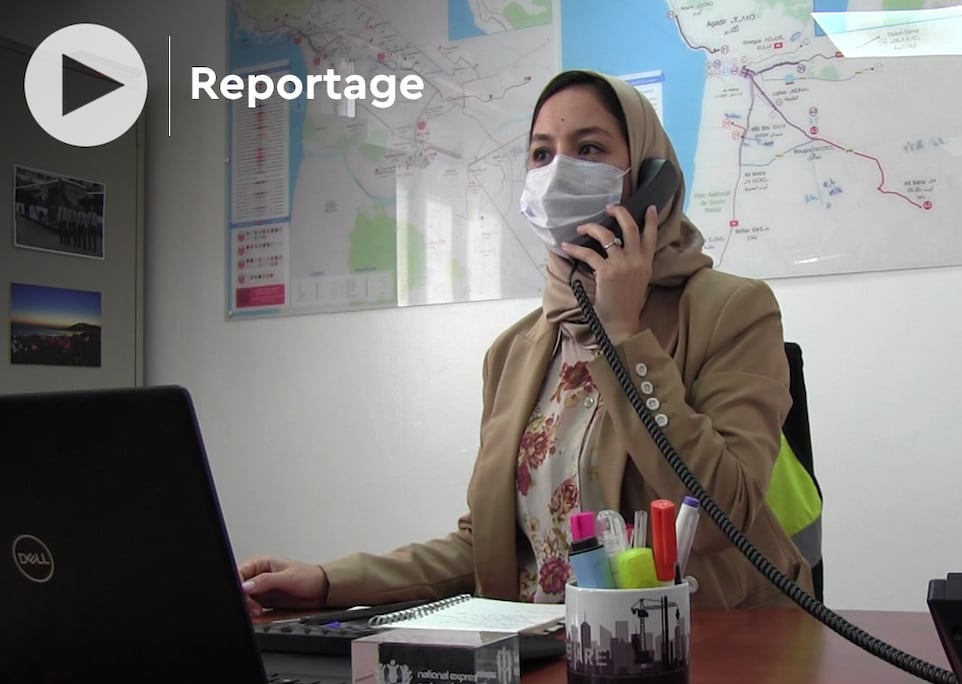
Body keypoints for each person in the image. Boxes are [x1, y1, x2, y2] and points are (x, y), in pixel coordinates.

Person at [240, 69, 816, 612]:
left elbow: (719, 518)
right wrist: (328, 582)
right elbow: (488, 546)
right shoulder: (516, 351)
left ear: (648, 177)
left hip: (692, 648)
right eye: (542, 154)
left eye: (589, 149)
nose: (558, 171)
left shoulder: (730, 310)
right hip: (541, 655)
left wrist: (623, 333)